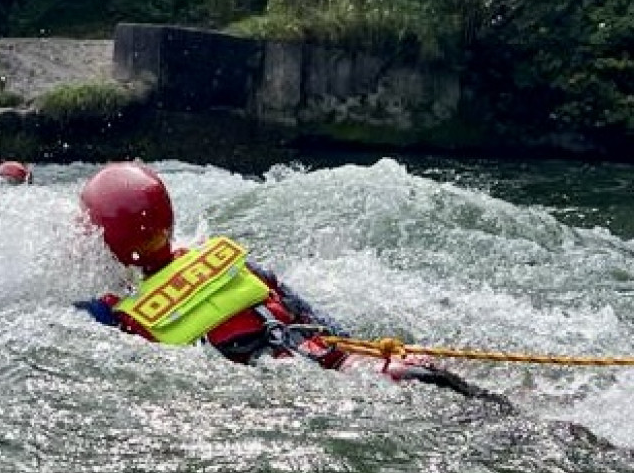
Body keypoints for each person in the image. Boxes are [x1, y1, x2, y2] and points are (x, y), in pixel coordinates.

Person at [74, 161, 510, 407]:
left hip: (298, 395)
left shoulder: (114, 316)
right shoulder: (229, 261)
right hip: (338, 365)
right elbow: (318, 321)